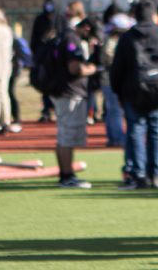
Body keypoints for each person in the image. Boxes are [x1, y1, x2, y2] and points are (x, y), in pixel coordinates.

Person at [111, 0, 158, 190]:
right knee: (157, 132)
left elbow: (117, 68)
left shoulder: (127, 38)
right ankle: (155, 174)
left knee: (136, 131)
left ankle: (138, 174)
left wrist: (118, 91)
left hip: (133, 88)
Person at [52, 17, 98, 189]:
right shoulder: (72, 39)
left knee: (64, 135)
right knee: (67, 136)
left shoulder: (62, 36)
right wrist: (92, 68)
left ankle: (66, 173)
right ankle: (67, 175)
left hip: (62, 91)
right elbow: (75, 68)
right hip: (69, 92)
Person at [30, 0, 65, 122]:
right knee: (44, 83)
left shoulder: (60, 19)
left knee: (57, 83)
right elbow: (34, 40)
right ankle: (46, 109)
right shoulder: (40, 20)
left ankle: (56, 108)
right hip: (44, 59)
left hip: (57, 59)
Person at [100, 12, 131, 149]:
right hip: (111, 79)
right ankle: (117, 137)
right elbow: (110, 59)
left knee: (112, 109)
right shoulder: (113, 41)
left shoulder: (112, 39)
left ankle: (114, 137)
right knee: (115, 110)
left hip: (110, 78)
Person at [9, 23, 31, 134]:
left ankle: (16, 118)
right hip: (10, 69)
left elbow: (24, 55)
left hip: (12, 70)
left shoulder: (15, 40)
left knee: (10, 92)